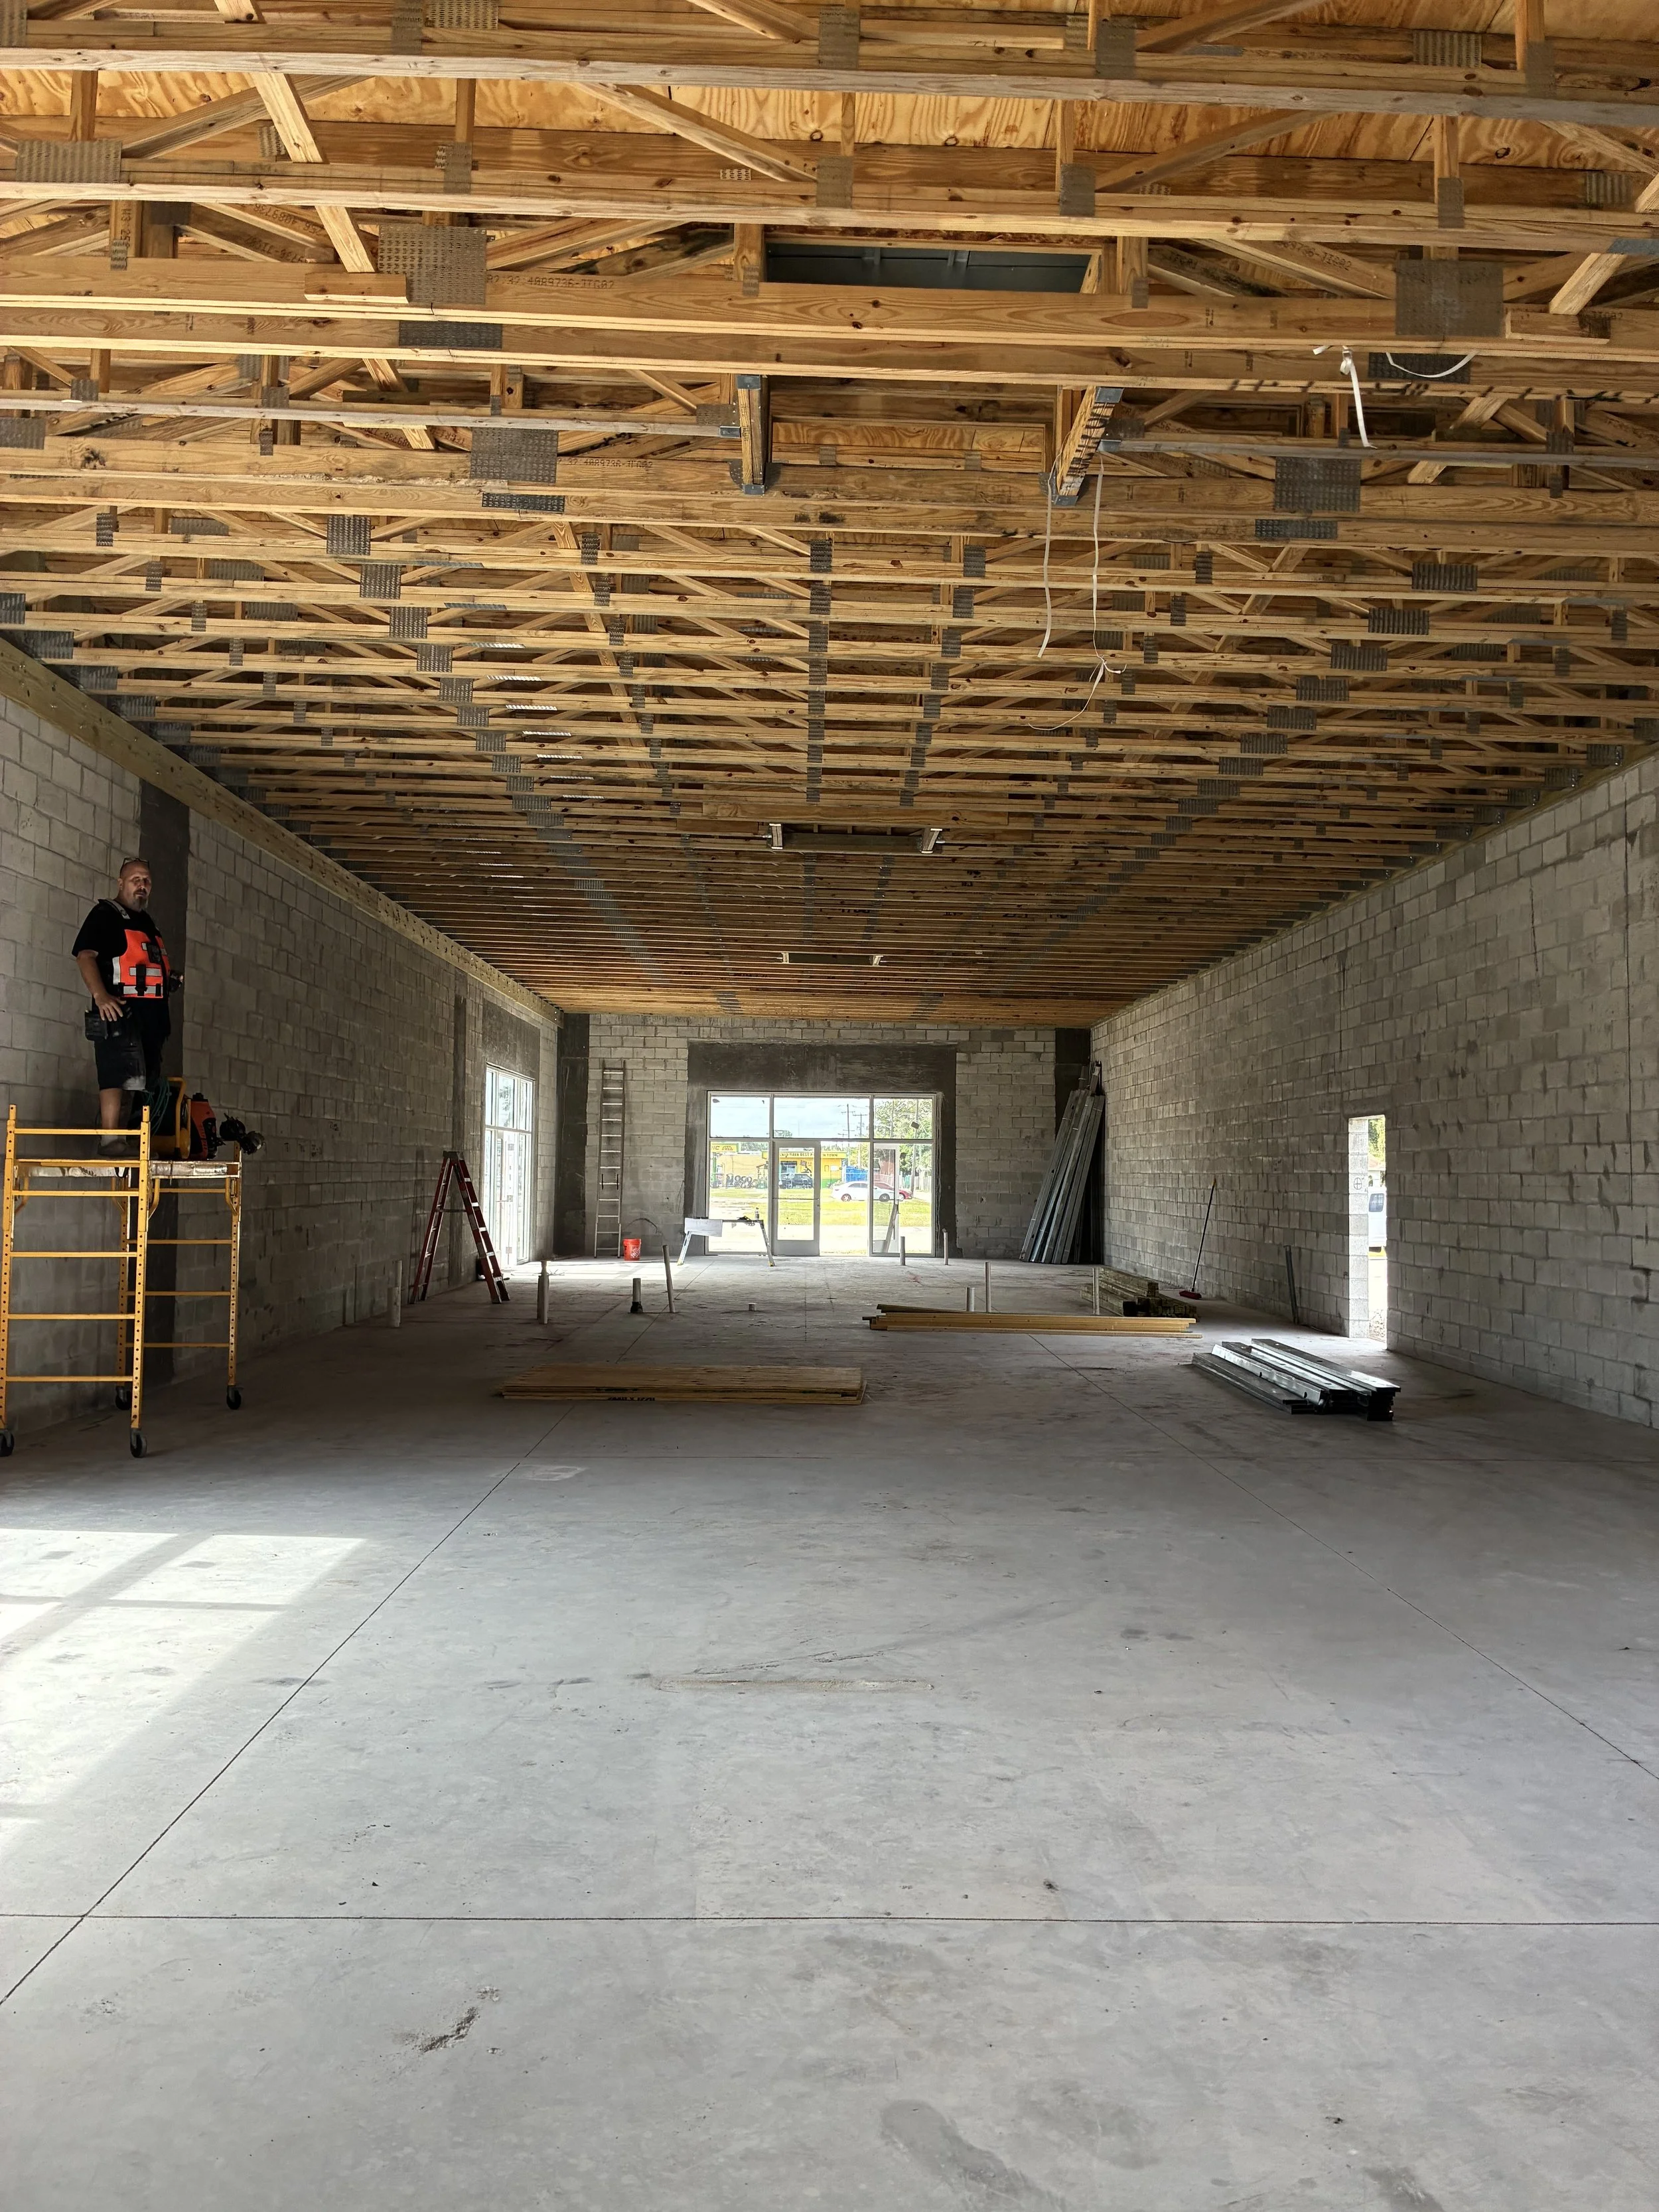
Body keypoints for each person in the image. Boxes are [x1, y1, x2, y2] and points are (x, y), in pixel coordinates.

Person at [72, 857, 180, 1153]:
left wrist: (168, 979)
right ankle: (110, 1138)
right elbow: (85, 955)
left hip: (150, 1016)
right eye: (136, 880)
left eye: (146, 880)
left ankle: (125, 1138)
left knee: (137, 1077)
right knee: (115, 1073)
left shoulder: (147, 923)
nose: (142, 885)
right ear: (121, 883)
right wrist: (100, 996)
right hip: (119, 1011)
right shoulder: (105, 914)